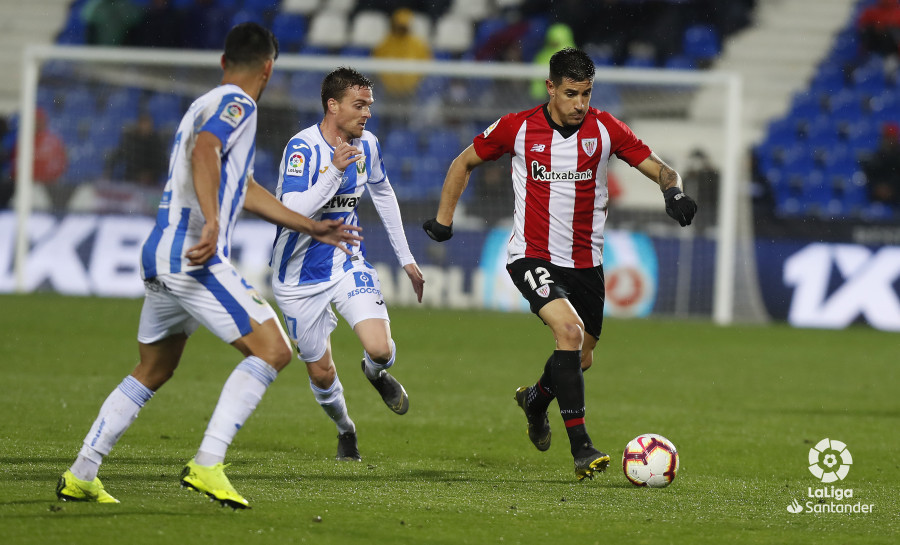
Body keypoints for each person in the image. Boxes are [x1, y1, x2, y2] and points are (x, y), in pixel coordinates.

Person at [55, 22, 362, 509]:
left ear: (224, 62)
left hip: (160, 252)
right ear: (268, 68)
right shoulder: (237, 104)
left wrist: (310, 226)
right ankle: (207, 463)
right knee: (274, 349)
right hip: (191, 253)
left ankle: (83, 471)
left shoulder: (202, 105)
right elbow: (206, 153)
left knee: (154, 368)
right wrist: (215, 221)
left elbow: (245, 187)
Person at [423, 47, 697, 480]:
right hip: (532, 255)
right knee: (568, 333)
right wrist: (443, 220)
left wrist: (673, 193)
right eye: (571, 94)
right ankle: (582, 448)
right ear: (550, 87)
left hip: (587, 262)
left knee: (581, 357)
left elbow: (661, 168)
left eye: (586, 94)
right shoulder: (517, 128)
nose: (579, 104)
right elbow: (464, 162)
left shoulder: (605, 129)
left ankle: (535, 399)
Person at [271, 67, 424, 461]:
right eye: (360, 105)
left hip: (346, 263)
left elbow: (384, 192)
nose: (367, 113)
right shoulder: (302, 148)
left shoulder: (367, 145)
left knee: (380, 349)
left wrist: (406, 259)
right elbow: (291, 210)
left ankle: (375, 374)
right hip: (297, 276)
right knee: (321, 373)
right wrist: (334, 171)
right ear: (332, 105)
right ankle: (346, 428)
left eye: (369, 105)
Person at [371, 8, 432, 97]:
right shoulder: (385, 42)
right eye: (400, 26)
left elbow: (426, 65)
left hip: (411, 90)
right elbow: (376, 62)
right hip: (388, 90)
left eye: (404, 26)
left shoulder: (418, 43)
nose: (402, 29)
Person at [105, 113, 167, 186]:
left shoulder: (156, 141)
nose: (145, 127)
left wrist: (150, 174)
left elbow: (162, 163)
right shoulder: (131, 140)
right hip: (132, 179)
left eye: (147, 124)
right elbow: (120, 155)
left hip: (151, 182)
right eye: (143, 124)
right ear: (139, 125)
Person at [862, 122, 900, 208]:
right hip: (877, 199)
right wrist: (878, 188)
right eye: (887, 137)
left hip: (896, 198)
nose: (889, 140)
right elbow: (870, 176)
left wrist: (891, 189)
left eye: (891, 138)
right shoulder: (876, 157)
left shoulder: (897, 157)